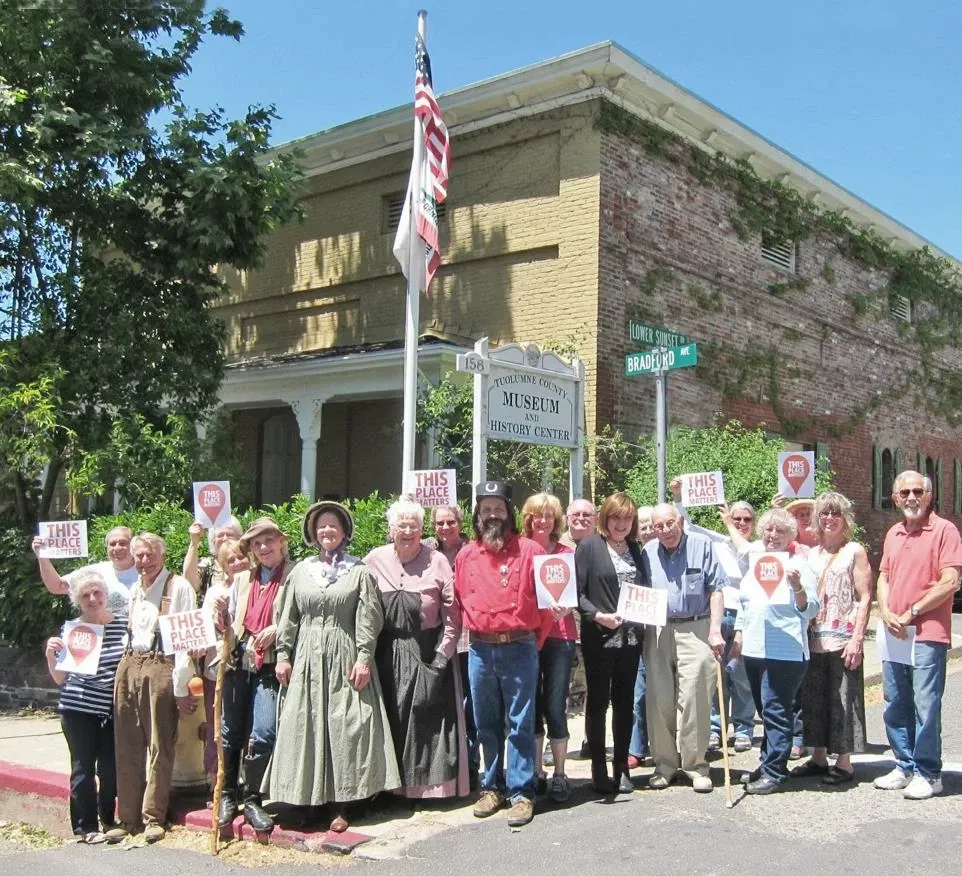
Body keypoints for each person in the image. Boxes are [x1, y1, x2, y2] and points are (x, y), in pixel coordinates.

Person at [269, 501, 399, 832]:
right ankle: (310, 801)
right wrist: (283, 655)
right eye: (322, 526)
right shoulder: (301, 572)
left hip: (344, 656)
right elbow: (288, 617)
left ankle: (342, 804)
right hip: (307, 659)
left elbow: (368, 618)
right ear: (313, 533)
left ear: (344, 532)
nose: (327, 531)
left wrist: (364, 658)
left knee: (346, 727)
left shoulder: (358, 572)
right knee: (308, 725)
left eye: (333, 526)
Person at [455, 481, 554, 828]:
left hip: (519, 646)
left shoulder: (531, 551)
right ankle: (491, 787)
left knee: (520, 723)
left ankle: (522, 792)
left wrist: (532, 643)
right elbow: (460, 599)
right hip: (480, 649)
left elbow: (547, 606)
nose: (492, 515)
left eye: (498, 509)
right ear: (478, 515)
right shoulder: (466, 555)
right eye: (486, 509)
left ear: (509, 514)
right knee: (486, 722)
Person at [365, 498, 467, 799]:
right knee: (390, 721)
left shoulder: (437, 561)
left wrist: (441, 657)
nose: (407, 531)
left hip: (426, 652)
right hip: (386, 656)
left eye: (414, 526)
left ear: (422, 530)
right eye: (401, 525)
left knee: (428, 722)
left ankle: (428, 791)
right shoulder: (373, 560)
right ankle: (390, 791)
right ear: (391, 529)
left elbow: (453, 617)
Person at [873, 470, 962, 800]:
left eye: (917, 492)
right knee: (896, 701)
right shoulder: (894, 533)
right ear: (895, 498)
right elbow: (883, 577)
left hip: (927, 632)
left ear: (929, 495)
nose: (911, 497)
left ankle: (929, 772)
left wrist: (912, 611)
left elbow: (950, 581)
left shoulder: (944, 530)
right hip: (894, 630)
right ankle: (904, 765)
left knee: (925, 703)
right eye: (905, 492)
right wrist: (885, 611)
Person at [106, 533, 196, 844]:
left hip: (161, 664)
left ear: (163, 554)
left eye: (150, 555)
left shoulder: (178, 587)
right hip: (129, 662)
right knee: (127, 743)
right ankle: (127, 817)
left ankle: (153, 817)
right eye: (140, 556)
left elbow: (185, 642)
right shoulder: (135, 588)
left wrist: (181, 687)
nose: (145, 561)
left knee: (160, 744)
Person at [732, 508, 818, 794]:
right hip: (754, 649)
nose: (773, 535)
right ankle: (768, 762)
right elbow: (745, 604)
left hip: (786, 651)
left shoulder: (799, 565)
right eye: (769, 529)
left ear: (791, 535)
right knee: (764, 709)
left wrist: (798, 588)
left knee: (776, 709)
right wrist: (739, 635)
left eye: (780, 531)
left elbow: (812, 609)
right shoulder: (757, 563)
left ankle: (775, 772)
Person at [217, 517, 293, 833]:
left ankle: (252, 798)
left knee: (263, 732)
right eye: (257, 544)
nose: (263, 548)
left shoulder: (293, 577)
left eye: (269, 541)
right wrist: (221, 618)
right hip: (239, 661)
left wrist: (278, 629)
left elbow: (301, 617)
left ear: (281, 542)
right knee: (230, 731)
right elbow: (229, 625)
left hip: (270, 664)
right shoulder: (241, 580)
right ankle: (227, 795)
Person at [641, 503, 724, 793]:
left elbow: (716, 589)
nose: (665, 530)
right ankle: (664, 765)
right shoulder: (648, 552)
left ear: (681, 521)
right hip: (659, 629)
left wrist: (716, 629)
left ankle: (695, 766)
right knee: (659, 698)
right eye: (659, 526)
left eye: (670, 523)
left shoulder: (703, 546)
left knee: (695, 696)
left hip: (696, 626)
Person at [669, 479, 756, 755]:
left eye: (746, 519)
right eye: (736, 518)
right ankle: (717, 728)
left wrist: (729, 525)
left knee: (740, 676)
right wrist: (678, 497)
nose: (740, 523)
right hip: (717, 616)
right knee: (716, 676)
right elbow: (686, 525)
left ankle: (743, 729)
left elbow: (745, 553)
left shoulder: (757, 549)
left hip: (744, 618)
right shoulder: (715, 541)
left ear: (754, 523)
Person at [792, 492, 871, 785]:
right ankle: (818, 757)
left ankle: (845, 762)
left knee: (843, 700)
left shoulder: (855, 551)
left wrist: (857, 639)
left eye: (835, 513)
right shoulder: (811, 555)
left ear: (845, 518)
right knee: (814, 699)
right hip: (814, 638)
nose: (829, 519)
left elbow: (865, 597)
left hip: (843, 638)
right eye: (824, 513)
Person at [44, 570, 126, 844]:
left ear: (106, 595)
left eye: (97, 593)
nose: (92, 599)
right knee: (83, 770)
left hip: (110, 711)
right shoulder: (73, 630)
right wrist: (51, 654)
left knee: (110, 769)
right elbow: (59, 678)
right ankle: (85, 827)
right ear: (78, 601)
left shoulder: (123, 626)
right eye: (85, 595)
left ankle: (109, 820)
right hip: (77, 709)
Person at [576, 492, 645, 794]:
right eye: (616, 517)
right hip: (599, 638)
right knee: (598, 703)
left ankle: (621, 766)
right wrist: (597, 616)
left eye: (627, 518)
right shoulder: (589, 546)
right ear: (605, 518)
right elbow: (577, 593)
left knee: (625, 703)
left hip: (630, 639)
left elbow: (645, 589)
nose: (621, 524)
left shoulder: (636, 548)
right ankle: (599, 769)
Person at [521, 492, 576, 803]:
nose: (542, 521)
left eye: (549, 516)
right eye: (537, 515)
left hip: (560, 635)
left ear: (556, 520)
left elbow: (577, 591)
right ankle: (536, 771)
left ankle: (560, 773)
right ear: (528, 519)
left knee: (555, 705)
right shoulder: (520, 549)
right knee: (530, 704)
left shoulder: (566, 552)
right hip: (526, 635)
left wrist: (567, 605)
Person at [430, 505, 478, 788]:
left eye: (450, 522)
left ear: (460, 523)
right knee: (446, 704)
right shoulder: (428, 552)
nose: (445, 527)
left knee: (471, 704)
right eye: (440, 523)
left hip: (468, 637)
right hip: (438, 638)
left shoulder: (471, 550)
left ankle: (471, 765)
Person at [198, 537, 248, 789]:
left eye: (241, 557)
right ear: (223, 566)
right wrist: (220, 615)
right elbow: (207, 631)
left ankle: (246, 781)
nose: (237, 563)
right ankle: (218, 782)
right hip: (220, 667)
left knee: (247, 726)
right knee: (219, 725)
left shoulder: (256, 585)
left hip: (248, 665)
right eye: (231, 560)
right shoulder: (216, 593)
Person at [33, 526, 137, 615]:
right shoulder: (95, 571)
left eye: (123, 543)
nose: (117, 548)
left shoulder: (144, 571)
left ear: (133, 546)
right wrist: (42, 556)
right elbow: (57, 586)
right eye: (112, 544)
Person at [627, 506, 656, 770]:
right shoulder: (633, 552)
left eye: (651, 525)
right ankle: (636, 748)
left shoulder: (667, 550)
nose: (648, 530)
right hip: (637, 630)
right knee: (639, 691)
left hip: (664, 629)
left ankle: (663, 748)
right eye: (643, 525)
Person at [182, 517, 243, 597]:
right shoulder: (208, 565)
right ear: (213, 541)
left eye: (229, 535)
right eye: (220, 535)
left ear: (239, 538)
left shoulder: (247, 563)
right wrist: (194, 542)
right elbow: (189, 583)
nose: (225, 538)